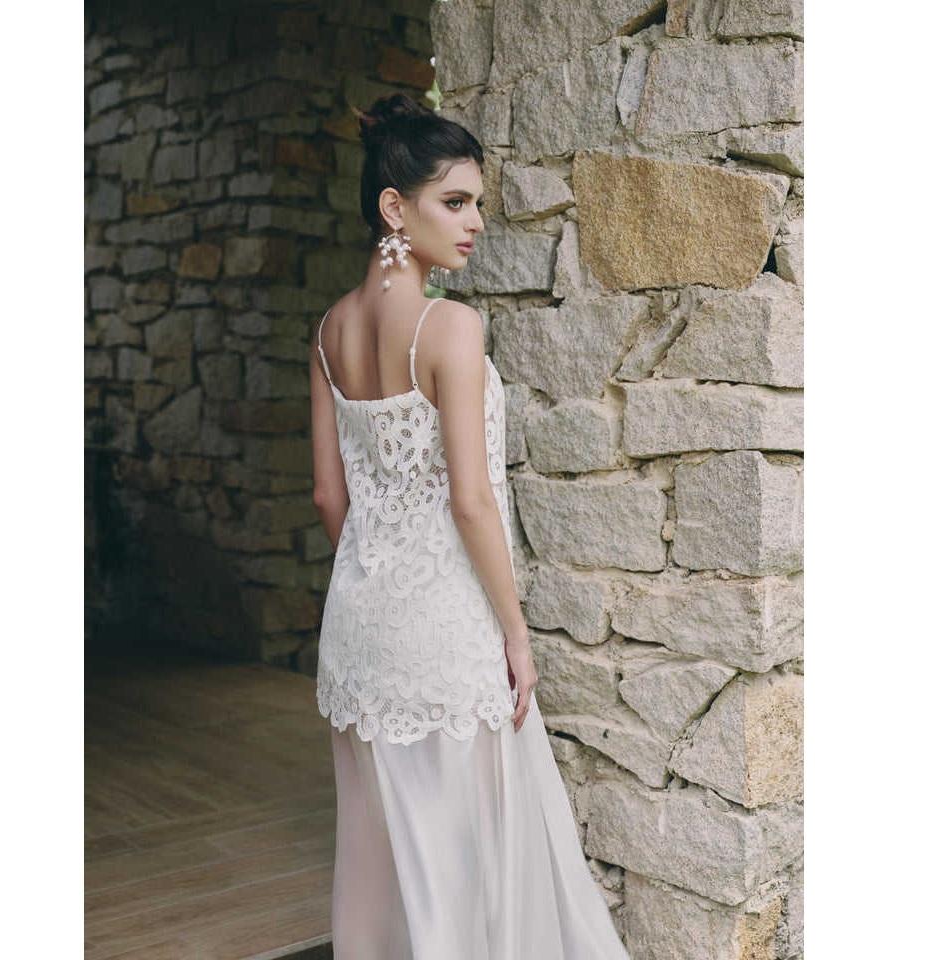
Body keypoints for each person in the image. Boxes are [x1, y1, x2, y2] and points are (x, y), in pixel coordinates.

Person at [309, 92, 630, 960]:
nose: (476, 222)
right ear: (394, 207)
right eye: (455, 201)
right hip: (446, 629)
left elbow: (329, 497)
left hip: (358, 627)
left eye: (477, 203)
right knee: (463, 857)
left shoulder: (330, 331)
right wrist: (516, 634)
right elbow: (472, 500)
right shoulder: (450, 326)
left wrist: (378, 577)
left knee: (381, 851)